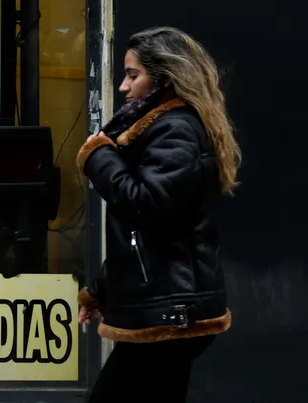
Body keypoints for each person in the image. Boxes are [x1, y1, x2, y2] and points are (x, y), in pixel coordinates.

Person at [76, 27, 239, 403]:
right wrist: (101, 292)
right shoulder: (161, 127)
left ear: (163, 79)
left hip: (169, 314)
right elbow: (144, 237)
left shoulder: (175, 130)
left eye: (133, 75)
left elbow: (146, 204)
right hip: (168, 309)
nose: (123, 87)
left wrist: (97, 156)